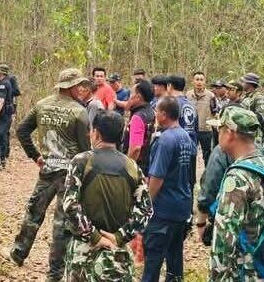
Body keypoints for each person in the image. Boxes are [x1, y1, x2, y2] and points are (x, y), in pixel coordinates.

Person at [5, 68, 90, 282]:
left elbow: (22, 130)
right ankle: (54, 274)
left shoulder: (42, 105)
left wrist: (35, 156)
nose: (81, 88)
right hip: (69, 175)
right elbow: (85, 148)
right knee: (61, 224)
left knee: (33, 213)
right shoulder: (79, 112)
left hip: (47, 170)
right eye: (78, 85)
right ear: (70, 87)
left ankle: (18, 253)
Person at [63, 111, 152, 282]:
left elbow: (70, 205)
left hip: (84, 250)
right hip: (117, 252)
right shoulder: (131, 166)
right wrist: (120, 236)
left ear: (95, 132)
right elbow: (146, 209)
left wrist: (94, 237)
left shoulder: (81, 161)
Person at [207, 105, 264, 281]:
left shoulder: (237, 178)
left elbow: (224, 238)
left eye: (219, 129)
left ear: (229, 132)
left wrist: (217, 276)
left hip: (246, 270)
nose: (217, 134)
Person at [142, 97, 193, 282]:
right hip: (181, 207)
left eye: (157, 111)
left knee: (153, 262)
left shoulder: (165, 140)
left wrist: (145, 205)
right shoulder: (185, 136)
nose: (154, 114)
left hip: (163, 210)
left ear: (164, 114)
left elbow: (156, 177)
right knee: (174, 259)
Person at [166, 75, 198, 189]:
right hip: (192, 150)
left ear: (169, 86)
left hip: (178, 152)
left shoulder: (171, 105)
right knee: (189, 185)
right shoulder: (191, 105)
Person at [122, 80, 156, 174]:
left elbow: (135, 148)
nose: (129, 97)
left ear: (138, 96)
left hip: (138, 167)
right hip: (149, 164)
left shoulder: (138, 117)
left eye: (131, 93)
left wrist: (127, 170)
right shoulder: (152, 112)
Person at [187, 71, 218, 166]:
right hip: (191, 130)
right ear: (193, 81)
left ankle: (207, 178)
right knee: (191, 155)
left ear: (204, 81)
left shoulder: (211, 96)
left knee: (207, 155)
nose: (199, 82)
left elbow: (215, 112)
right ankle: (191, 180)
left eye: (201, 80)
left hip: (206, 130)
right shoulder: (188, 95)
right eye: (197, 79)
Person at [240, 73, 264, 141]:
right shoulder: (245, 96)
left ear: (249, 84)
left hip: (254, 135)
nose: (241, 84)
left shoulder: (259, 97)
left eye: (243, 82)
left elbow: (260, 117)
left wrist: (242, 118)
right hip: (245, 132)